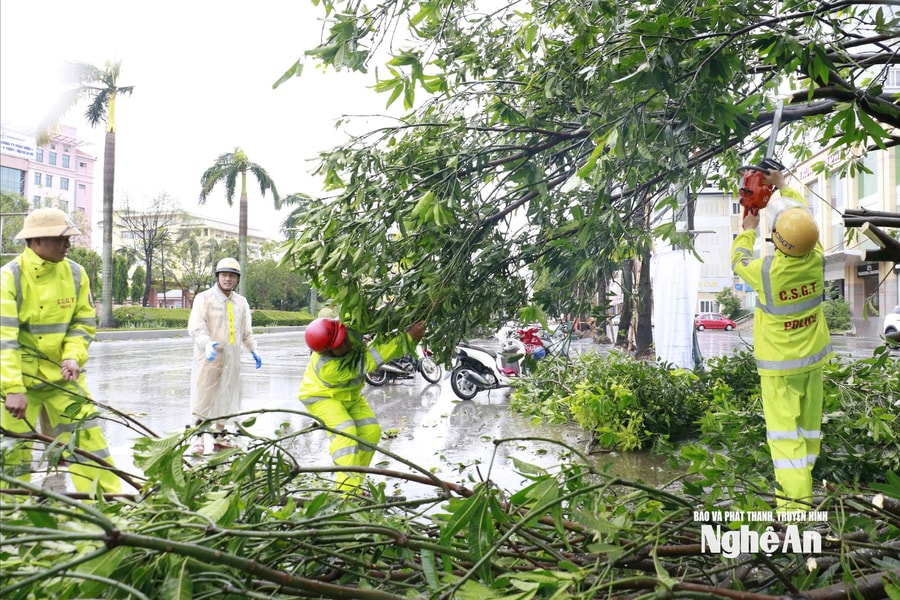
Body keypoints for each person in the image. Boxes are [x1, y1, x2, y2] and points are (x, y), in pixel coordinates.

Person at [731, 168, 833, 511]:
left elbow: (738, 260)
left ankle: (795, 511)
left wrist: (748, 229)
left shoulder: (766, 272)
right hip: (812, 364)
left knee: (786, 440)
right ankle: (806, 486)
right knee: (808, 433)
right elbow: (804, 222)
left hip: (779, 372)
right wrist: (784, 186)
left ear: (776, 240)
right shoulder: (817, 259)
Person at [0, 208, 121, 494]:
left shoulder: (76, 274)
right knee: (13, 453)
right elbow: (4, 339)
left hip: (63, 379)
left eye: (68, 238)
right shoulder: (9, 277)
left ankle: (111, 506)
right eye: (60, 239)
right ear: (36, 241)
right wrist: (12, 388)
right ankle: (12, 514)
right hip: (19, 382)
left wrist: (72, 355)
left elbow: (83, 322)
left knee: (89, 442)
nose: (68, 244)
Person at [299, 317, 425, 493]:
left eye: (343, 338)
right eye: (339, 345)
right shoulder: (329, 368)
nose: (346, 344)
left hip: (349, 396)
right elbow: (369, 360)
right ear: (327, 352)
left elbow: (369, 319)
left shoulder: (346, 328)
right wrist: (407, 338)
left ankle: (357, 482)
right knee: (346, 434)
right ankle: (347, 493)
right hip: (321, 398)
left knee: (371, 432)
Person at [187, 257, 261, 453]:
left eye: (232, 276)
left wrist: (253, 349)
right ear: (218, 276)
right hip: (209, 357)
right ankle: (198, 438)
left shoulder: (241, 302)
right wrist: (206, 343)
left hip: (231, 358)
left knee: (226, 397)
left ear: (237, 279)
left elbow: (246, 331)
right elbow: (196, 326)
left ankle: (220, 436)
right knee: (203, 397)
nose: (228, 279)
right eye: (224, 275)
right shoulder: (204, 298)